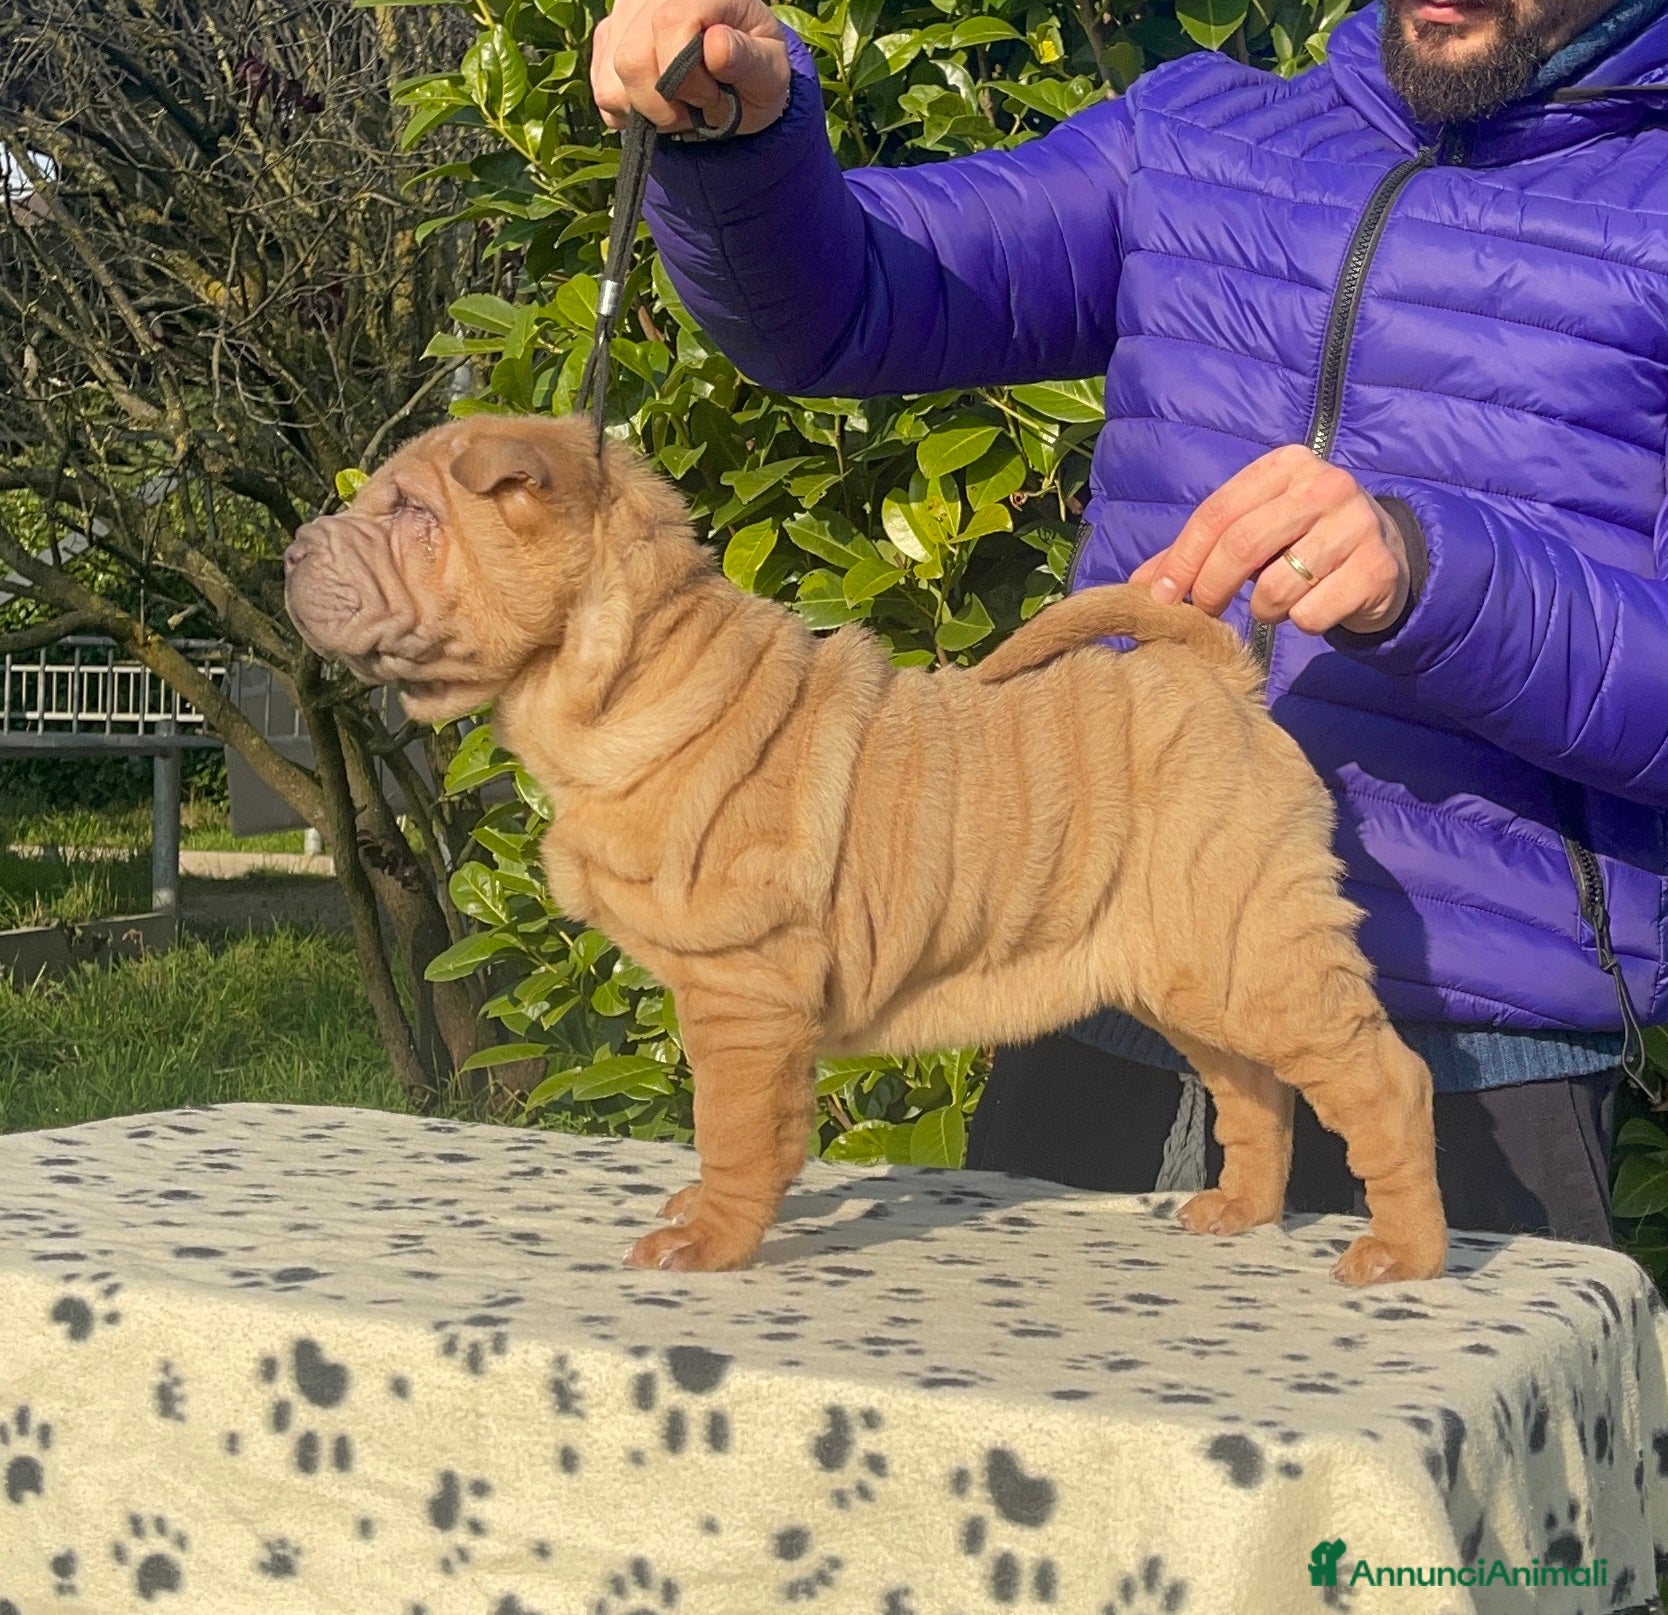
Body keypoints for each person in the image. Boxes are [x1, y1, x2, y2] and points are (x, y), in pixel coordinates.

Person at [591, 0, 1668, 1246]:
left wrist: (1437, 575)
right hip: (1087, 986)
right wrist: (745, 138)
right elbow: (842, 304)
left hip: (1490, 1064)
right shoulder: (1195, 134)